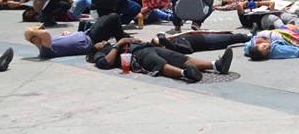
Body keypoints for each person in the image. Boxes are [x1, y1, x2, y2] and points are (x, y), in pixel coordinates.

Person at [90, 38, 233, 83]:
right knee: (157, 63)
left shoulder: (110, 44)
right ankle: (185, 74)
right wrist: (120, 43)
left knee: (178, 57)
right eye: (98, 43)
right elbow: (105, 64)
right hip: (137, 56)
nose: (102, 41)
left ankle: (216, 65)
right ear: (95, 49)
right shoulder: (101, 53)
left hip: (147, 47)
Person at [25, 13, 129, 58]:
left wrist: (66, 35)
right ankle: (123, 43)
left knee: (106, 18)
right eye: (39, 31)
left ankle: (123, 38)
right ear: (35, 39)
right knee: (113, 17)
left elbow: (52, 38)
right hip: (90, 40)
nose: (43, 30)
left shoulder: (47, 43)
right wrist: (29, 32)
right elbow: (46, 34)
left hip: (86, 34)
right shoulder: (45, 50)